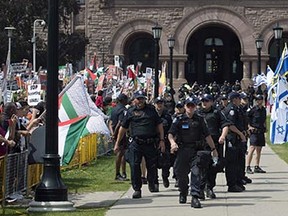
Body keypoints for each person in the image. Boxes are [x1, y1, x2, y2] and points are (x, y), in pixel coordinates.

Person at [168, 97, 218, 208]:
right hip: (182, 150)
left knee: (196, 172)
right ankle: (183, 192)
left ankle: (195, 197)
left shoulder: (200, 120)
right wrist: (172, 143)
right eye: (188, 105)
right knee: (181, 174)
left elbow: (207, 135)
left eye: (192, 106)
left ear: (195, 107)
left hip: (196, 150)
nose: (190, 108)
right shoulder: (179, 119)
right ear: (185, 107)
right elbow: (171, 133)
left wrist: (214, 149)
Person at [114, 90, 165, 199]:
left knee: (152, 165)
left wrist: (161, 140)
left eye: (142, 98)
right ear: (134, 100)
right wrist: (117, 143)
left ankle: (152, 183)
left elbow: (159, 125)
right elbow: (123, 128)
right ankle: (137, 189)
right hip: (136, 143)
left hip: (150, 142)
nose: (140, 101)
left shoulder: (151, 111)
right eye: (138, 99)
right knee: (134, 165)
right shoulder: (130, 112)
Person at [197, 94, 229, 199]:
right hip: (202, 145)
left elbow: (225, 125)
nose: (204, 103)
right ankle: (200, 189)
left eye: (207, 100)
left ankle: (209, 188)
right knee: (201, 167)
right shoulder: (197, 113)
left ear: (211, 102)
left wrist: (223, 136)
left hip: (215, 144)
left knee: (213, 167)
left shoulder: (217, 112)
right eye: (203, 101)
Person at [223, 92, 247, 192]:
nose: (240, 100)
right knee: (232, 162)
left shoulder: (237, 108)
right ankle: (232, 184)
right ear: (234, 99)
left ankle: (238, 181)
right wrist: (240, 134)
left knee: (238, 161)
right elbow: (230, 125)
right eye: (238, 98)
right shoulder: (231, 109)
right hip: (232, 138)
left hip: (238, 139)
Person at [109, 93, 129, 181]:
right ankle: (118, 174)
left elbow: (110, 122)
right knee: (120, 153)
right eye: (126, 99)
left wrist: (112, 132)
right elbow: (120, 123)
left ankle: (123, 172)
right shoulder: (123, 110)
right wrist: (116, 133)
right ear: (123, 100)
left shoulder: (113, 109)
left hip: (114, 132)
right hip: (120, 133)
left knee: (123, 153)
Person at [154, 97, 172, 188]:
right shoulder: (151, 114)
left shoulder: (167, 116)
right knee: (153, 162)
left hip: (165, 140)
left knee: (166, 162)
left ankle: (165, 176)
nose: (159, 105)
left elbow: (171, 129)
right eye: (157, 103)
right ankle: (155, 181)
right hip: (154, 141)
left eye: (161, 103)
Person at [246, 94, 267, 174]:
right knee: (252, 148)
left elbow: (264, 119)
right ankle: (248, 166)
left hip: (261, 130)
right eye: (257, 100)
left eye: (260, 99)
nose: (259, 101)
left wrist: (266, 127)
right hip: (254, 131)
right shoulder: (253, 110)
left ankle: (256, 166)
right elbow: (246, 118)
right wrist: (249, 127)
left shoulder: (263, 110)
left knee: (259, 149)